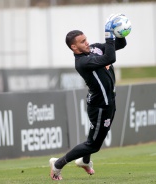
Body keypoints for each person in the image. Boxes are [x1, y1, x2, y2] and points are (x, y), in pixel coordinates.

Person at [49, 14, 127, 180]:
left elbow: (120, 44)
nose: (87, 43)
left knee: (93, 139)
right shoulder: (82, 62)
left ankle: (84, 161)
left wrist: (118, 31)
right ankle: (58, 164)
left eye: (86, 39)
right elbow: (110, 57)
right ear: (74, 48)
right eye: (82, 42)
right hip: (100, 107)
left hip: (109, 102)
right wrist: (108, 34)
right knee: (93, 144)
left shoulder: (95, 49)